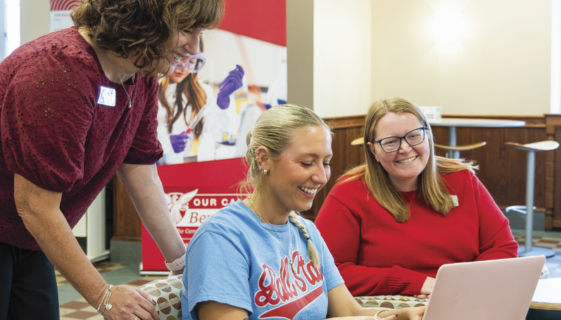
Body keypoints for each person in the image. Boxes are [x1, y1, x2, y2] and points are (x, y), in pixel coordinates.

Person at [0, 0, 224, 319]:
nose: (194, 46)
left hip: (25, 228)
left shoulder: (142, 74)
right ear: (145, 19)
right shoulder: (59, 69)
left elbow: (141, 173)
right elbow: (36, 205)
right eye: (186, 29)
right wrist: (104, 295)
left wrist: (184, 267)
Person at [314, 97, 561, 320]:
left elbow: (503, 246)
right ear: (373, 151)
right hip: (402, 309)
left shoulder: (461, 179)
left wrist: (462, 285)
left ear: (427, 135)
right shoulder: (349, 193)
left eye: (414, 136)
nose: (405, 148)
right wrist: (413, 282)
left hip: (470, 301)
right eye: (391, 142)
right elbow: (329, 270)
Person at [181, 104, 426, 320]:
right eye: (307, 163)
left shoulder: (306, 230)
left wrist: (401, 315)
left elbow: (350, 312)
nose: (321, 177)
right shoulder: (221, 237)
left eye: (326, 162)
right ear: (264, 159)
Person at [156, 50, 243, 164]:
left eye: (191, 62)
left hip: (181, 168)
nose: (183, 69)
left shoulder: (203, 93)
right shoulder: (151, 90)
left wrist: (223, 102)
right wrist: (165, 143)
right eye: (178, 59)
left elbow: (220, 136)